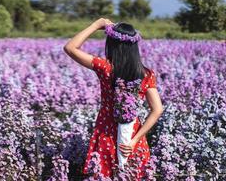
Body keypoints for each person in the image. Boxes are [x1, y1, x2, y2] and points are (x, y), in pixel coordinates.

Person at [63, 18, 163, 179]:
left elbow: (70, 47)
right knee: (134, 174)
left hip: (105, 132)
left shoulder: (105, 68)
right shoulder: (147, 74)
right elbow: (157, 110)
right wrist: (135, 139)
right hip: (131, 137)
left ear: (112, 45)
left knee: (105, 174)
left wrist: (96, 25)